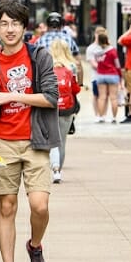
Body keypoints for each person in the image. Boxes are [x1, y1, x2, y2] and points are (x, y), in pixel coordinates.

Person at [0, 0, 59, 262]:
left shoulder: (40, 57)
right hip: (3, 143)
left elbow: (51, 97)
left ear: (25, 27)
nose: (9, 29)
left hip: (36, 141)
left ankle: (35, 246)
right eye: (3, 24)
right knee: (7, 206)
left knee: (40, 206)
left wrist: (14, 96)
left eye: (15, 23)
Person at [48, 39, 81, 183]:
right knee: (62, 141)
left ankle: (53, 167)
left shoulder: (47, 66)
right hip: (67, 108)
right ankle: (58, 171)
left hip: (50, 106)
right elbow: (76, 88)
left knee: (51, 140)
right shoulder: (71, 67)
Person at [93, 32, 122, 123]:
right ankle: (114, 118)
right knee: (113, 97)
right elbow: (117, 64)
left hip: (101, 75)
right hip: (112, 75)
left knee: (102, 97)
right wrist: (120, 76)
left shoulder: (97, 52)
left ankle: (101, 117)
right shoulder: (112, 51)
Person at [83, 26, 108, 117]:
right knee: (96, 95)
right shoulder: (91, 48)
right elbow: (93, 63)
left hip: (107, 76)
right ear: (95, 35)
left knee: (105, 96)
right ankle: (97, 114)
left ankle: (104, 114)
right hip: (96, 76)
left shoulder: (107, 47)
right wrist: (105, 67)